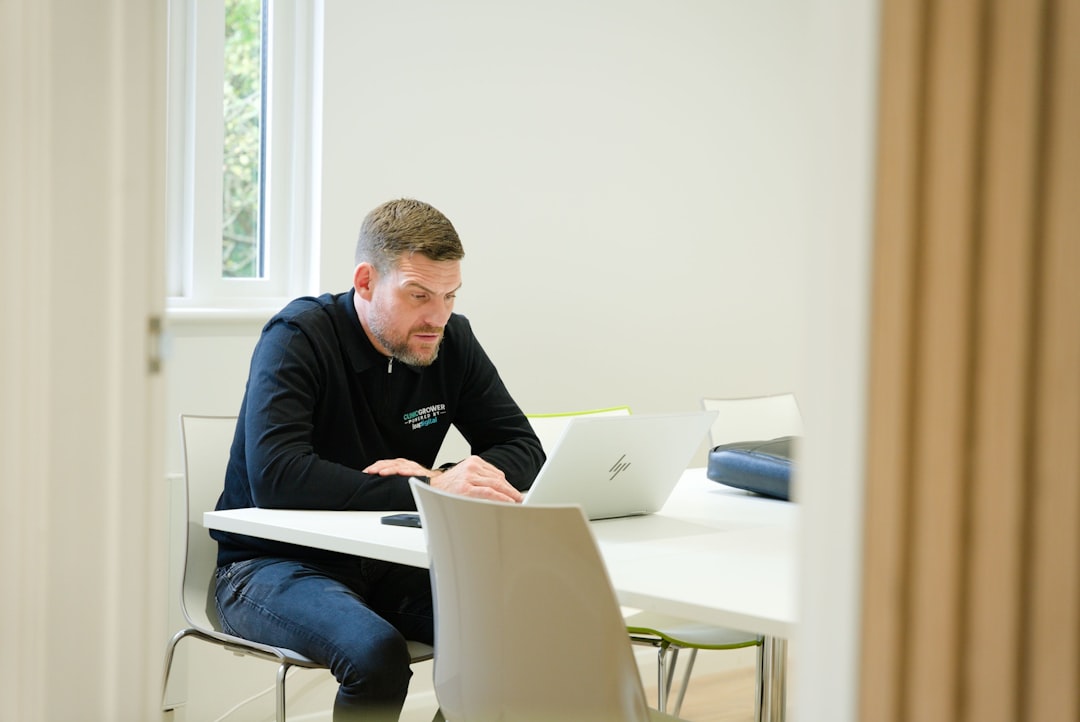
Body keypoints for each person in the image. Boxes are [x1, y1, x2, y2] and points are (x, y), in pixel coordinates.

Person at [211, 198, 545, 721]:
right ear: (365, 282)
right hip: (271, 563)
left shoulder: (450, 340)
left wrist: (437, 476)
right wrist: (432, 491)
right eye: (418, 296)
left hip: (392, 560)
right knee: (377, 654)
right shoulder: (298, 337)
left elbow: (523, 447)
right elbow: (279, 479)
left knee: (517, 629)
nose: (437, 317)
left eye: (449, 296)